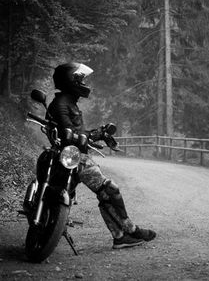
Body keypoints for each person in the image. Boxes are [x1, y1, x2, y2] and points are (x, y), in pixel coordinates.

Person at [47, 62, 156, 249]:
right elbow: (69, 133)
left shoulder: (68, 102)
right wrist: (88, 136)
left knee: (107, 193)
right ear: (70, 81)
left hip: (72, 156)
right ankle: (129, 231)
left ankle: (122, 234)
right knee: (109, 190)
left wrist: (100, 133)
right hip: (73, 157)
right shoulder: (61, 104)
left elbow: (77, 132)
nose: (83, 83)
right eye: (80, 79)